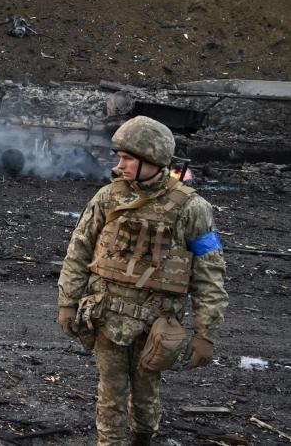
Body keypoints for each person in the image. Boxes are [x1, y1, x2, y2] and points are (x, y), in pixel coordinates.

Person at [56, 116, 228, 446]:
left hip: (157, 323)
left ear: (152, 161)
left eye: (127, 158)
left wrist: (206, 334)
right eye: (119, 157)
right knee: (110, 392)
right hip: (106, 315)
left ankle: (143, 437)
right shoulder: (108, 198)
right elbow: (79, 250)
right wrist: (67, 301)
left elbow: (209, 274)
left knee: (147, 392)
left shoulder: (193, 208)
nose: (119, 165)